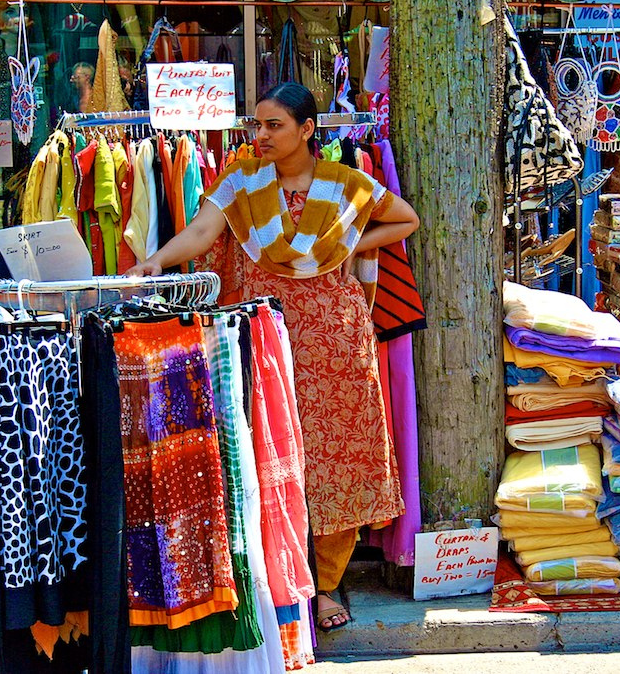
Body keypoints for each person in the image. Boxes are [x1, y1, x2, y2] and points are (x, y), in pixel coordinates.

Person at [127, 82, 420, 631]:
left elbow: (405, 219)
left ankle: (326, 587)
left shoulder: (345, 185)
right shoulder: (241, 181)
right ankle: (272, 582)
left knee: (334, 462)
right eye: (255, 126)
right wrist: (156, 262)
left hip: (333, 341)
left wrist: (347, 242)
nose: (259, 136)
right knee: (263, 454)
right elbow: (201, 231)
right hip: (263, 334)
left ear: (308, 129)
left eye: (273, 126)